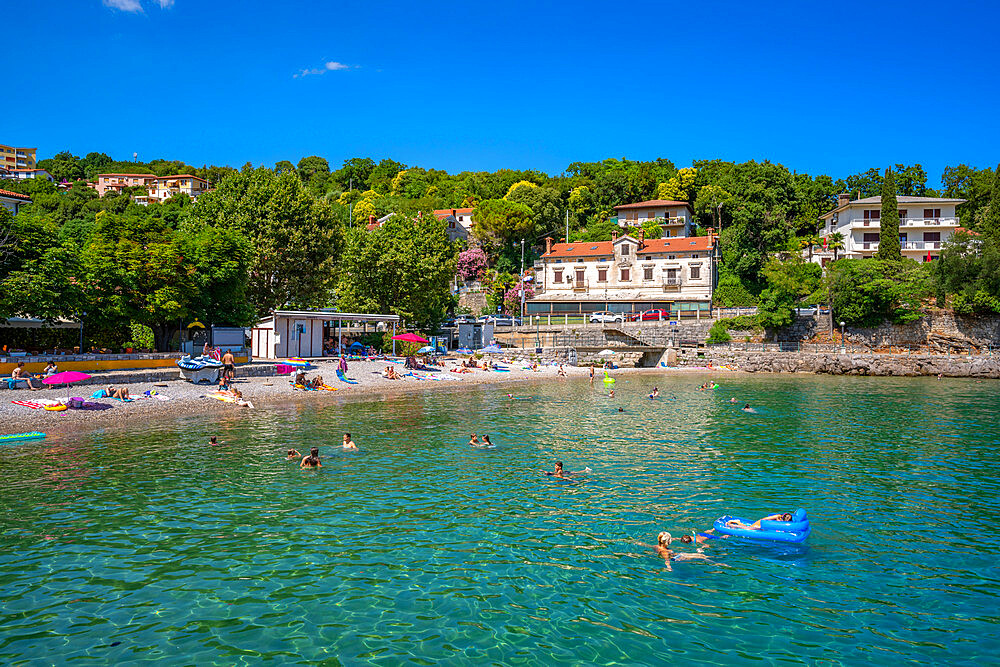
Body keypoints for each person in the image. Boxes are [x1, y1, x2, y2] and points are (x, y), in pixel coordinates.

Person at [725, 512, 793, 531]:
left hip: (764, 526)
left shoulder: (780, 520)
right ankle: (731, 524)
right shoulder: (777, 517)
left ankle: (738, 522)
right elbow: (764, 520)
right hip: (760, 524)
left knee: (748, 528)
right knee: (748, 529)